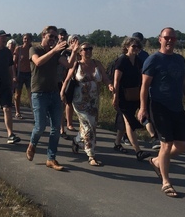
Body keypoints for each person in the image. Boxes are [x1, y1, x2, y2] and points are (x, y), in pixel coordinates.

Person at [138, 27, 185, 198]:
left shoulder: (180, 60)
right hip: (159, 106)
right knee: (166, 144)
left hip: (177, 107)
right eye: (167, 37)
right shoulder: (153, 60)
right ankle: (166, 181)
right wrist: (142, 108)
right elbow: (144, 86)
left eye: (173, 38)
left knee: (182, 145)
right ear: (160, 39)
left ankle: (157, 161)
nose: (170, 40)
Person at [26, 25, 79, 171]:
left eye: (56, 37)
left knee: (56, 127)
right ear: (43, 36)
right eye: (51, 36)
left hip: (54, 93)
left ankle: (51, 158)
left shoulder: (56, 54)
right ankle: (32, 143)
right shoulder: (34, 49)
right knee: (40, 126)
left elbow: (68, 64)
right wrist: (55, 50)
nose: (54, 39)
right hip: (39, 93)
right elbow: (38, 62)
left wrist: (74, 52)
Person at [61, 42, 113, 166]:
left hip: (94, 100)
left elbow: (105, 77)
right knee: (88, 126)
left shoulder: (97, 64)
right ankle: (91, 155)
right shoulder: (76, 64)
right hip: (79, 100)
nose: (88, 51)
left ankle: (77, 140)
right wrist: (62, 92)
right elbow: (67, 79)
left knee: (92, 126)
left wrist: (110, 85)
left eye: (90, 49)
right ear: (80, 52)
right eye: (85, 49)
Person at [112, 36, 152, 161]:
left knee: (126, 122)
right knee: (129, 122)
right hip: (123, 96)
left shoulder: (139, 61)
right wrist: (115, 97)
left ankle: (117, 143)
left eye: (137, 46)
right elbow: (116, 81)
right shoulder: (122, 60)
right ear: (127, 47)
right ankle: (138, 151)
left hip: (135, 95)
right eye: (133, 46)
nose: (135, 49)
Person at [14, 33, 33, 119]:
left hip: (29, 74)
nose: (26, 40)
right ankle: (18, 111)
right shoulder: (19, 49)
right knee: (18, 94)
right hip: (20, 73)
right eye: (25, 38)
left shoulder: (32, 49)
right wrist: (14, 75)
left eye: (28, 39)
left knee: (31, 94)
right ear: (23, 39)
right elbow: (14, 63)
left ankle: (34, 111)